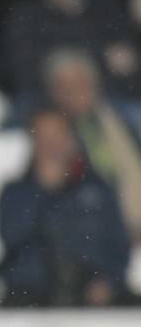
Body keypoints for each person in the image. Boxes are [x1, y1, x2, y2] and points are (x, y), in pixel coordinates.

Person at [0, 109, 130, 307]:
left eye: (56, 136)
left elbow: (119, 246)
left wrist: (108, 282)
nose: (50, 145)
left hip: (94, 296)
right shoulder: (14, 193)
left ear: (71, 139)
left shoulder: (98, 190)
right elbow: (11, 241)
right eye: (42, 137)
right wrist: (44, 191)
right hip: (33, 297)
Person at [1, 0, 139, 113]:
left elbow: (127, 62)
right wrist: (97, 58)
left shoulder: (108, 9)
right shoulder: (26, 15)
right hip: (46, 103)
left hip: (109, 98)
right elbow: (22, 69)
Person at [45, 48, 141, 243]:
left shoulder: (126, 118)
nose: (73, 93)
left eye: (80, 83)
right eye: (64, 86)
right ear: (53, 92)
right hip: (105, 238)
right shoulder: (52, 135)